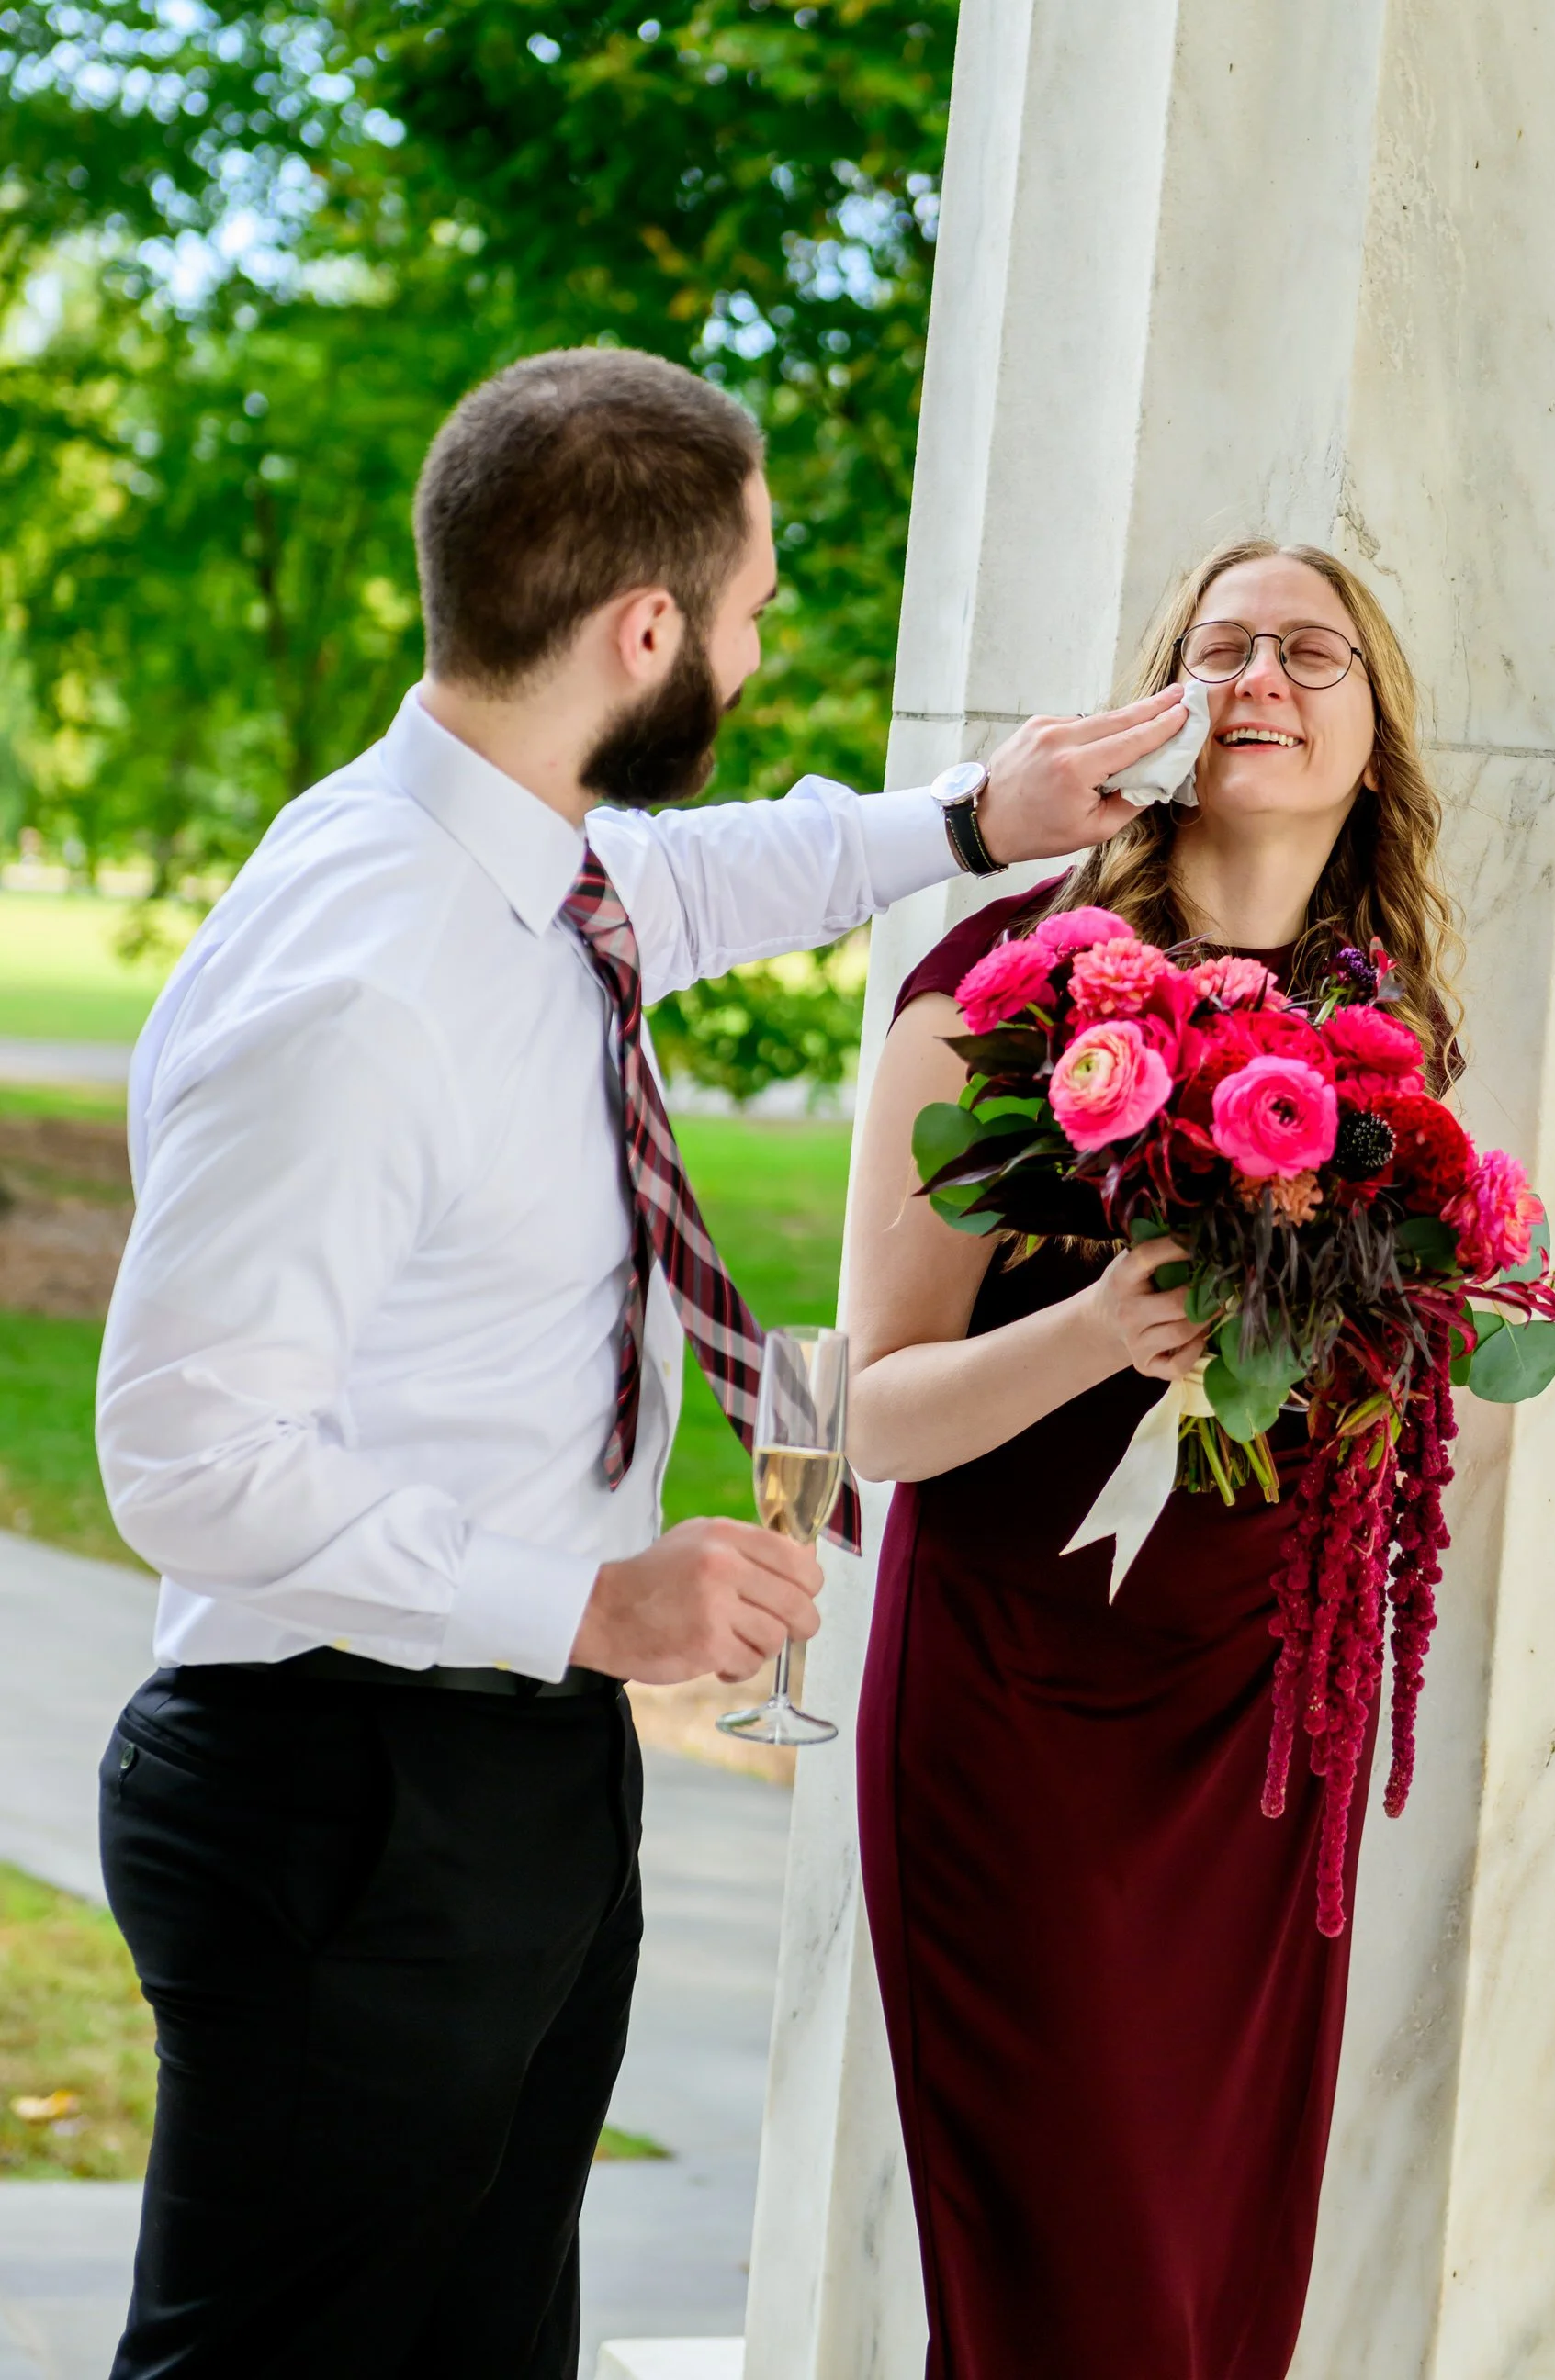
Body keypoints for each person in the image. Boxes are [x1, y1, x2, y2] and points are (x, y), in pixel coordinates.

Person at [92, 344, 1190, 2380]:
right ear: (647, 629)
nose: (765, 651)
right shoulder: (364, 979)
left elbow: (693, 883)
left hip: (503, 1772)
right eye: (759, 609)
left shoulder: (530, 860)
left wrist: (975, 819)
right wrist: (592, 1598)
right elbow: (179, 1450)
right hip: (348, 1794)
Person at [847, 539, 1462, 2380]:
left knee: (1206, 2311)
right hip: (1021, 1722)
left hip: (1267, 1748)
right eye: (1223, 649)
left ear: (1375, 734)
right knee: (1068, 2302)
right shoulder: (997, 992)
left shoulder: (1394, 1037)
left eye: (1312, 652)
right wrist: (1096, 1329)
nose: (1266, 678)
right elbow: (870, 1407)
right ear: (1166, 709)